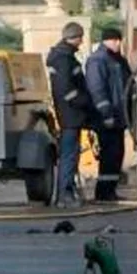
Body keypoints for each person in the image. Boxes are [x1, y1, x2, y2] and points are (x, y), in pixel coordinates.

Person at [47, 21, 93, 208]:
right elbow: (67, 90)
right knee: (69, 155)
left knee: (70, 154)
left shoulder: (61, 56)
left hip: (69, 114)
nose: (81, 42)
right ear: (75, 37)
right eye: (80, 37)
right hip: (71, 115)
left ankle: (67, 192)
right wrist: (85, 102)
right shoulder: (64, 59)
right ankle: (64, 195)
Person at [85, 27, 131, 202]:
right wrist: (106, 114)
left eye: (119, 40)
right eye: (115, 40)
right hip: (105, 118)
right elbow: (97, 90)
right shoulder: (98, 60)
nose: (118, 43)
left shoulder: (118, 60)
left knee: (117, 154)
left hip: (118, 117)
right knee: (109, 155)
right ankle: (103, 193)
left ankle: (110, 190)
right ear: (106, 41)